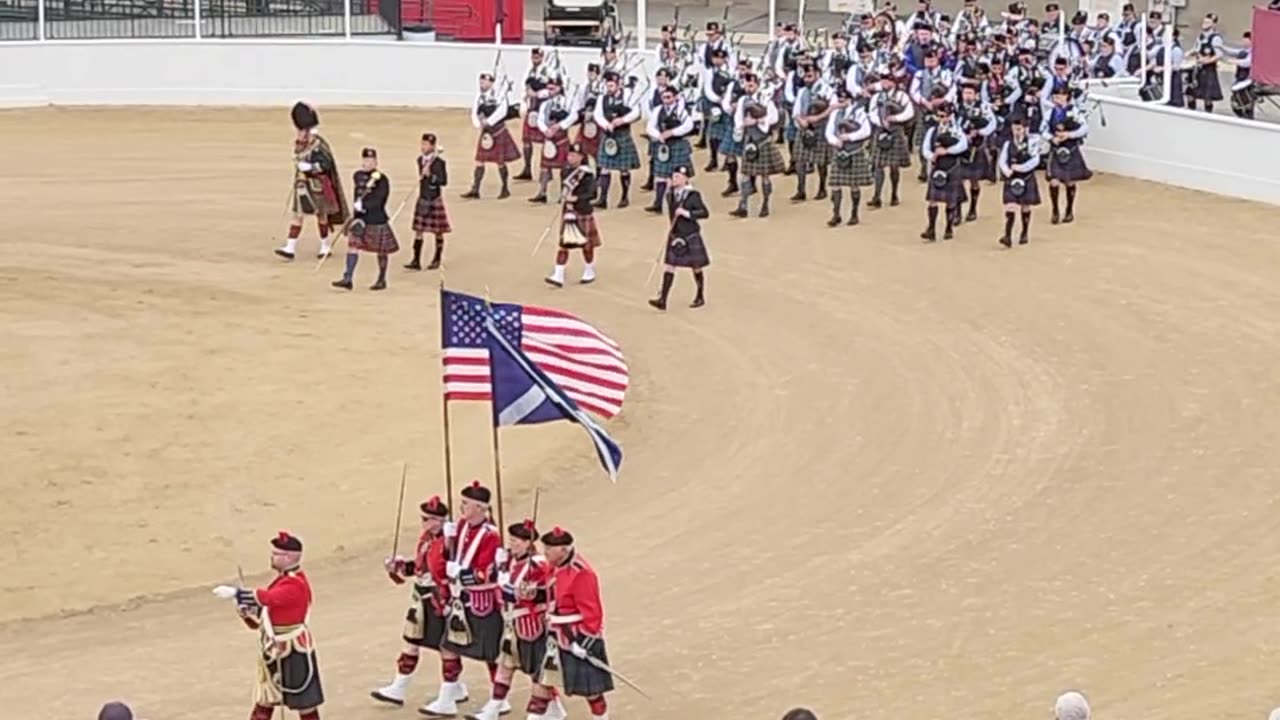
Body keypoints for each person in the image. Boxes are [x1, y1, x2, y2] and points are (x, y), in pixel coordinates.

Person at [211, 531, 325, 720]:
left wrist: (237, 594)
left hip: (293, 650)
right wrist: (248, 612)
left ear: (288, 557)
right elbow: (268, 614)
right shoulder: (284, 579)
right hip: (274, 648)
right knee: (265, 699)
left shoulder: (295, 584)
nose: (271, 557)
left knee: (305, 703)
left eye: (276, 554)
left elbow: (268, 598)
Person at [420, 482, 503, 717]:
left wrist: (462, 573)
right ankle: (447, 698)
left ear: (479, 507)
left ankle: (500, 699)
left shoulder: (491, 536)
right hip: (460, 598)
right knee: (448, 646)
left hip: (482, 601)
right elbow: (449, 555)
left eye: (466, 503)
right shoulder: (462, 526)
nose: (461, 507)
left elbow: (487, 572)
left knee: (491, 653)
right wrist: (447, 542)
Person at [472, 519, 568, 720]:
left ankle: (541, 712)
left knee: (537, 673)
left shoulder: (538, 566)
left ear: (527, 543)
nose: (511, 544)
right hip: (512, 624)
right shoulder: (510, 560)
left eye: (516, 541)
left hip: (532, 625)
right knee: (505, 667)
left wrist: (512, 589)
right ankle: (493, 709)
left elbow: (541, 593)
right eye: (511, 540)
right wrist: (497, 568)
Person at [371, 495, 454, 707]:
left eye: (428, 519)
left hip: (439, 599)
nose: (424, 522)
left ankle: (450, 693)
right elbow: (419, 568)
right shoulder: (426, 539)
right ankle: (399, 686)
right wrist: (400, 567)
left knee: (446, 647)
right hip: (420, 596)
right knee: (411, 641)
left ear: (439, 520)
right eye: (423, 518)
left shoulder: (449, 542)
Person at [539, 527, 614, 720]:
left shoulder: (581, 574)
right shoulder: (554, 566)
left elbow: (592, 614)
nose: (545, 551)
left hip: (577, 636)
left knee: (591, 691)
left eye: (549, 548)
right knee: (543, 680)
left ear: (563, 550)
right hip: (555, 634)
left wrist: (585, 643)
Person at [277, 102, 348, 261]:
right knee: (298, 215)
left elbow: (326, 164)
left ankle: (325, 245)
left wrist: (311, 167)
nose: (300, 133)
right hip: (303, 185)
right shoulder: (300, 143)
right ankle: (290, 247)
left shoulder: (319, 145)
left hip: (317, 185)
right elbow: (296, 159)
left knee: (321, 216)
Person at [332, 148, 397, 291]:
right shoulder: (358, 176)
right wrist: (356, 210)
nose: (366, 163)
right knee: (352, 246)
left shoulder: (382, 179)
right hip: (360, 219)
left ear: (376, 162)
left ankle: (381, 279)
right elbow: (358, 193)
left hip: (376, 218)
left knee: (381, 250)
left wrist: (365, 206)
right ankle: (348, 278)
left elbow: (381, 199)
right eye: (365, 160)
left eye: (370, 160)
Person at [649, 165, 710, 311]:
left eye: (678, 177)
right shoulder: (670, 194)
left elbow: (704, 213)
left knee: (696, 266)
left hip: (690, 235)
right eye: (674, 176)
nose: (674, 179)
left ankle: (700, 295)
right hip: (676, 234)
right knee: (669, 266)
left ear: (685, 179)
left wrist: (686, 213)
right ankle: (663, 299)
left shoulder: (693, 195)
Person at [729, 73, 785, 219]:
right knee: (745, 174)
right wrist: (740, 127)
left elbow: (774, 117)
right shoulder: (742, 100)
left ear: (757, 85)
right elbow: (738, 118)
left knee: (765, 176)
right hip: (749, 140)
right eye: (746, 85)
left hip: (763, 140)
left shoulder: (765, 99)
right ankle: (743, 205)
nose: (748, 88)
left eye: (751, 85)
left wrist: (758, 121)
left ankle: (765, 203)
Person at [545, 144, 601, 288]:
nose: (571, 158)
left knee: (586, 245)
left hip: (582, 211)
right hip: (568, 211)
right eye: (569, 155)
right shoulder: (566, 171)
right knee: (564, 244)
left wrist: (576, 198)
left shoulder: (587, 174)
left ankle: (589, 270)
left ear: (581, 157)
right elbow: (564, 189)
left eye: (574, 156)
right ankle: (558, 274)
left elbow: (592, 194)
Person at [591, 70, 642, 209]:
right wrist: (606, 125)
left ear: (619, 84)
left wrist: (622, 120)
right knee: (604, 168)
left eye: (612, 85)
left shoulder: (628, 95)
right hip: (608, 135)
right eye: (608, 85)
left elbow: (636, 112)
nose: (609, 88)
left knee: (623, 168)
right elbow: (598, 114)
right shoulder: (602, 98)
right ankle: (603, 198)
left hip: (622, 134)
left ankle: (624, 197)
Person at [464, 73, 519, 200]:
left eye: (484, 83)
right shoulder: (479, 95)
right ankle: (475, 189)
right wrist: (478, 124)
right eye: (480, 82)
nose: (481, 85)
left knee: (500, 162)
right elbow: (474, 111)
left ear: (491, 83)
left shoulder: (499, 95)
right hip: (486, 132)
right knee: (479, 161)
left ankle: (505, 188)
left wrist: (488, 122)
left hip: (497, 131)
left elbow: (502, 111)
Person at [824, 88, 874, 227]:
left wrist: (849, 137)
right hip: (839, 151)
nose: (841, 102)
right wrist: (835, 141)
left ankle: (854, 214)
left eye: (844, 100)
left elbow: (866, 131)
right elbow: (828, 132)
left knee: (854, 185)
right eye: (839, 100)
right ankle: (836, 214)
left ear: (850, 100)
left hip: (854, 151)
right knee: (835, 185)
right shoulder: (835, 114)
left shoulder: (859, 113)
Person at [920, 103, 970, 241]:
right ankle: (931, 228)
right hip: (937, 167)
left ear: (951, 116)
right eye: (940, 116)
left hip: (952, 166)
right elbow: (925, 149)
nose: (942, 119)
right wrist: (932, 156)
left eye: (945, 116)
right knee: (932, 200)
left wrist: (946, 151)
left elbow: (963, 145)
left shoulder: (957, 130)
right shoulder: (932, 131)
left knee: (950, 201)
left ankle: (948, 227)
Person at [1042, 83, 1090, 224]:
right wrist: (1052, 138)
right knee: (1054, 181)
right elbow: (1043, 130)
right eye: (1055, 95)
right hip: (1056, 149)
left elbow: (1084, 128)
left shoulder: (1074, 112)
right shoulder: (1049, 113)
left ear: (1067, 97)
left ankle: (1069, 210)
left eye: (1061, 95)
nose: (1057, 98)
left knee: (1070, 182)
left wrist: (1069, 134)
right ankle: (1055, 210)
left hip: (1070, 148)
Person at [644, 85, 696, 214]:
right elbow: (650, 127)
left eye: (668, 97)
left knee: (681, 176)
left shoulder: (682, 110)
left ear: (675, 97)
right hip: (664, 146)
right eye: (664, 97)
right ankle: (658, 203)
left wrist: (672, 132)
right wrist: (659, 135)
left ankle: (685, 202)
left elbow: (689, 126)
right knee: (661, 176)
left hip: (678, 143)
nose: (666, 100)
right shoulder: (658, 110)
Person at [403, 133, 450, 271]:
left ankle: (437, 258)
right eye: (422, 144)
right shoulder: (420, 160)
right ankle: (416, 260)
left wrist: (432, 176)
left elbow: (443, 181)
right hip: (423, 197)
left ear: (433, 146)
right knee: (418, 230)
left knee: (438, 231)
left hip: (434, 198)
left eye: (426, 144)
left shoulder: (439, 163)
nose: (423, 147)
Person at [868, 74, 915, 208]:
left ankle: (894, 194)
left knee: (894, 166)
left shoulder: (902, 96)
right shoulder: (877, 97)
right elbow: (871, 113)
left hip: (896, 131)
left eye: (888, 80)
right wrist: (881, 122)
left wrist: (895, 118)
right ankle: (877, 196)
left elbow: (909, 112)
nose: (885, 83)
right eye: (883, 80)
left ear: (894, 83)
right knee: (878, 165)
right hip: (880, 130)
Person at [790, 63, 834, 202]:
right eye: (805, 77)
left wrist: (818, 117)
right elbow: (796, 110)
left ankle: (822, 188)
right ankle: (801, 189)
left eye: (810, 76)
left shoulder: (827, 89)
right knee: (799, 160)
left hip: (820, 127)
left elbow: (832, 107)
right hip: (804, 128)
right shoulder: (802, 91)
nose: (807, 79)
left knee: (821, 162)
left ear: (817, 74)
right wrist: (799, 119)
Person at [996, 113, 1041, 247]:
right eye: (1014, 128)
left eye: (1019, 129)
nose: (1016, 131)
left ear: (1026, 129)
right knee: (1010, 205)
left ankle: (1024, 232)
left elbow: (1035, 161)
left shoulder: (1032, 143)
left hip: (1025, 176)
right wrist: (1006, 170)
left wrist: (1020, 168)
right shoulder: (1008, 143)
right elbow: (1002, 160)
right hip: (1012, 178)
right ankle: (1007, 235)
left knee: (1025, 206)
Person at [531, 77, 577, 204]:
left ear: (560, 88)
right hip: (549, 139)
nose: (550, 91)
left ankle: (564, 194)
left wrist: (559, 126)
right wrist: (545, 130)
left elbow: (574, 116)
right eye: (549, 88)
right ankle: (542, 192)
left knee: (565, 168)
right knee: (545, 167)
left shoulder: (567, 102)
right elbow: (540, 119)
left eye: (553, 88)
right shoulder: (545, 104)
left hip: (561, 138)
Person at [518, 48, 555, 181]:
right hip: (532, 107)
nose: (535, 59)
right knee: (526, 139)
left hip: (544, 108)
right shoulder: (529, 70)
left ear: (542, 57)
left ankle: (548, 169)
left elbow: (553, 89)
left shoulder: (549, 71)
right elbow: (525, 87)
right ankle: (527, 168)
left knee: (546, 139)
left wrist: (538, 94)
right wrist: (525, 97)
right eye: (534, 57)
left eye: (538, 57)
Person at [1186, 13, 1224, 114]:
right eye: (1204, 22)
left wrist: (1206, 61)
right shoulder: (1201, 36)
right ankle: (1191, 114)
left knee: (1208, 96)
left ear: (1213, 24)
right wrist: (1190, 52)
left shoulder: (1215, 38)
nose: (1204, 24)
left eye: (1208, 22)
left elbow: (1219, 55)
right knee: (1190, 93)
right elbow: (1197, 48)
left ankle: (1208, 115)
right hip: (1197, 69)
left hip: (1208, 70)